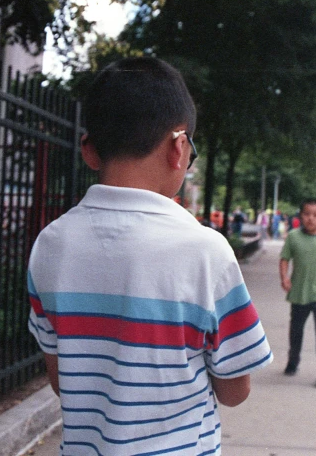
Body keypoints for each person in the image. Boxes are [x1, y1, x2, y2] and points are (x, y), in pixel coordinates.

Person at [27, 57, 273, 455]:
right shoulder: (205, 252)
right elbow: (234, 390)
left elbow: (61, 380)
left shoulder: (50, 245)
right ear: (179, 147)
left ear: (89, 150)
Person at [279, 198, 316, 388]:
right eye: (307, 214)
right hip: (299, 292)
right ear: (300, 216)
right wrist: (284, 277)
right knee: (296, 330)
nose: (310, 219)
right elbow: (284, 259)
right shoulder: (293, 237)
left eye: (315, 215)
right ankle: (293, 360)